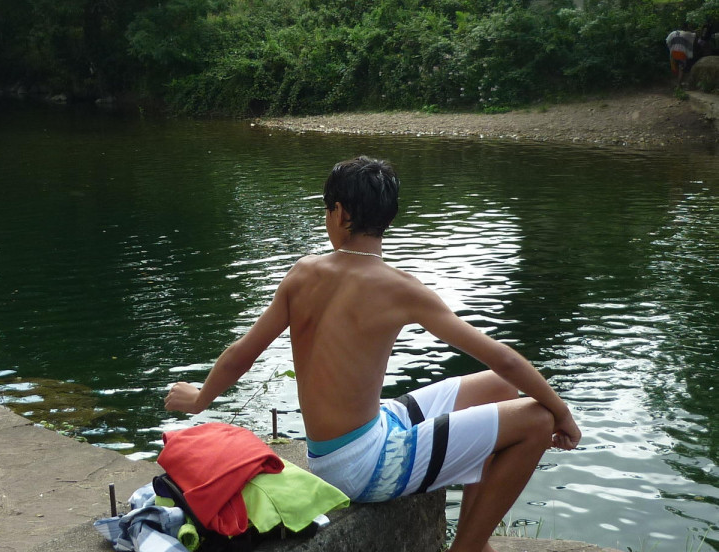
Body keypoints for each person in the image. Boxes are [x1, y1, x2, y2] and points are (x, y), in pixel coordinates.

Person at [165, 156, 582, 552]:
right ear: (387, 218)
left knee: (504, 387)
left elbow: (243, 353)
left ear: (341, 213)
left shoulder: (302, 274)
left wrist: (201, 397)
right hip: (368, 467)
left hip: (343, 449)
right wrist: (561, 414)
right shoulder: (400, 288)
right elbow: (502, 354)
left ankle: (477, 536)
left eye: (327, 209)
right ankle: (467, 547)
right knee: (537, 418)